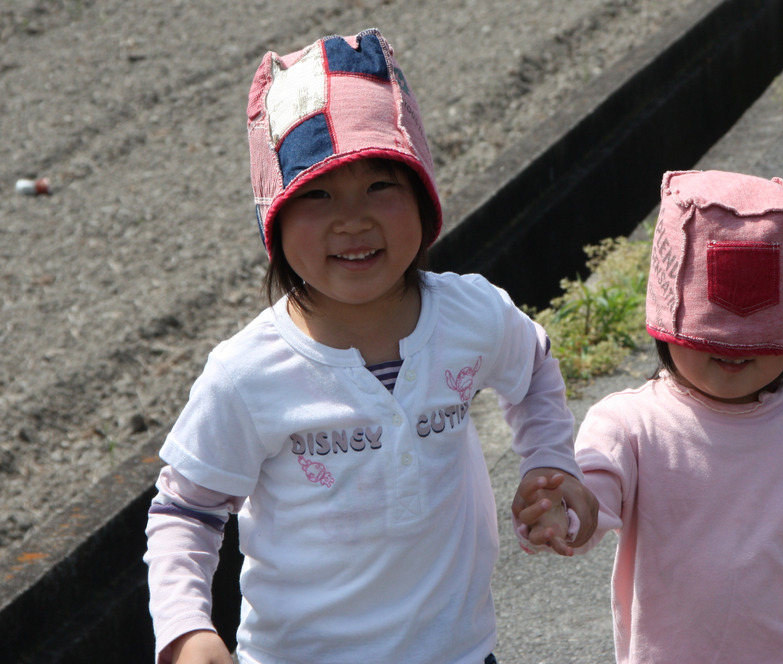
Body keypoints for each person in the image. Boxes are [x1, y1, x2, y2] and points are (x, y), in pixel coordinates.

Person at [144, 29, 596, 664]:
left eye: (382, 185)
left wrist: (550, 461)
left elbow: (535, 367)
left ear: (423, 197)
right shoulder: (246, 374)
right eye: (318, 195)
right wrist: (187, 630)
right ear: (273, 220)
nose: (352, 220)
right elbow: (185, 513)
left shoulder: (472, 316)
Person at [520, 170, 783, 663]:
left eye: (753, 338)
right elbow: (591, 496)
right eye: (711, 336)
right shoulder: (629, 425)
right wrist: (560, 513)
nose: (731, 351)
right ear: (665, 320)